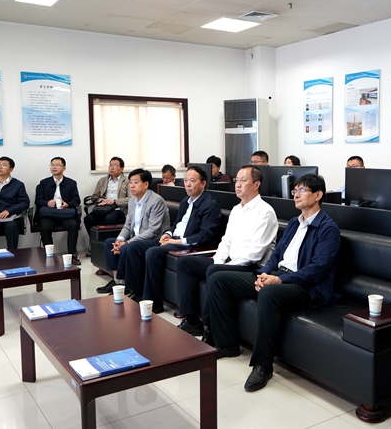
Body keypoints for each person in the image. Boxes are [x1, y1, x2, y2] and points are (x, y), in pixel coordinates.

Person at [208, 174, 340, 392]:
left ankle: (263, 365)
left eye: (302, 190)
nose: (296, 195)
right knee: (218, 279)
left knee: (269, 293)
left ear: (318, 195)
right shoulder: (294, 223)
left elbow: (317, 270)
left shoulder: (328, 228)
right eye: (295, 190)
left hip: (306, 286)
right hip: (280, 275)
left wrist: (279, 279)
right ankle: (226, 344)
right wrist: (264, 274)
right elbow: (276, 254)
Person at [176, 165, 278, 344]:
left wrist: (222, 266)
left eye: (243, 181)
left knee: (214, 271)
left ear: (256, 184)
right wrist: (218, 261)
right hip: (229, 262)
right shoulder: (237, 209)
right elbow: (226, 241)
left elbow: (255, 254)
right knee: (184, 263)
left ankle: (210, 329)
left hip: (251, 267)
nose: (237, 184)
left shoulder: (265, 212)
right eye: (236, 180)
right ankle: (192, 320)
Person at [124, 166, 223, 313]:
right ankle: (137, 292)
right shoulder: (185, 201)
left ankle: (154, 303)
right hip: (173, 240)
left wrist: (176, 241)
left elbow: (205, 236)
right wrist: (168, 234)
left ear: (203, 183)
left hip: (188, 245)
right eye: (186, 180)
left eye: (192, 181)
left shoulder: (210, 205)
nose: (187, 184)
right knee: (134, 247)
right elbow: (176, 224)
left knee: (153, 252)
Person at [96, 169, 170, 293]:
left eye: (136, 182)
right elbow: (128, 225)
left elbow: (152, 231)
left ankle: (130, 287)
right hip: (136, 238)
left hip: (154, 240)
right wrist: (119, 240)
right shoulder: (132, 201)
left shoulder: (156, 201)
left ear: (146, 184)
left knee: (127, 247)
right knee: (110, 242)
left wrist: (128, 242)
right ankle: (118, 282)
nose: (132, 186)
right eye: (130, 182)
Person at [35, 157, 82, 265]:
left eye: (57, 165)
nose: (54, 167)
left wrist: (68, 204)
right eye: (52, 165)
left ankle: (72, 254)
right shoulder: (44, 183)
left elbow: (76, 200)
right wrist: (47, 203)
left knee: (73, 225)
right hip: (49, 213)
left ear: (64, 168)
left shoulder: (71, 183)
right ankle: (49, 255)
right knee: (45, 226)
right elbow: (38, 200)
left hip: (65, 213)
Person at [83, 157, 130, 242]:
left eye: (115, 166)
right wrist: (102, 200)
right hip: (103, 208)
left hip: (118, 209)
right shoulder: (102, 180)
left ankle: (111, 243)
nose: (112, 168)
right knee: (88, 219)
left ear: (122, 169)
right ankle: (95, 243)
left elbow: (131, 198)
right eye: (110, 165)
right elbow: (95, 197)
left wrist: (114, 201)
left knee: (109, 219)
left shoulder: (127, 181)